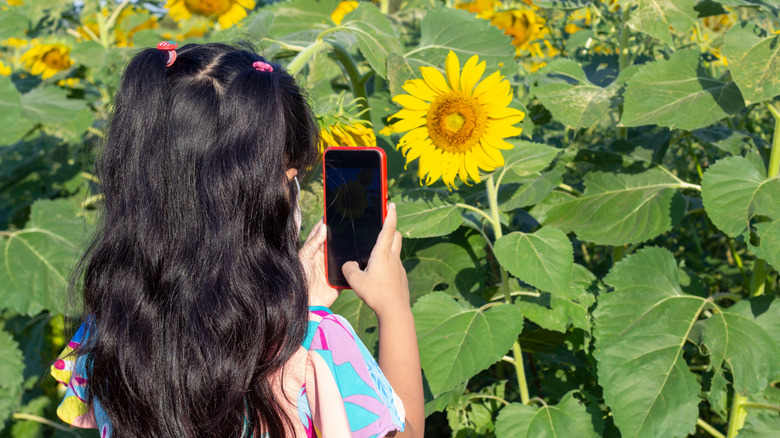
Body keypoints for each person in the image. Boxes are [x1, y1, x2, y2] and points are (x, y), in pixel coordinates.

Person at [50, 42, 424, 438]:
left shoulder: (108, 330)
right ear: (260, 197)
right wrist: (394, 308)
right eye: (287, 174)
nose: (292, 184)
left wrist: (290, 302)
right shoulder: (319, 346)